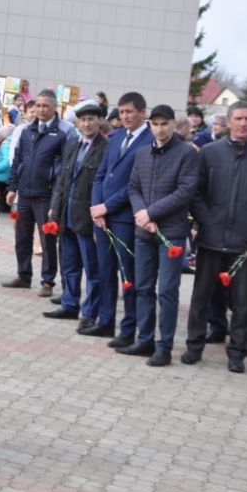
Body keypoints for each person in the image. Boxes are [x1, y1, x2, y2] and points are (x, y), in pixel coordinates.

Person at [182, 102, 247, 373]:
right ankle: (194, 346)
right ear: (228, 122)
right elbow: (196, 193)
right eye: (237, 118)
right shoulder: (209, 153)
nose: (242, 123)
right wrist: (205, 220)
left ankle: (237, 351)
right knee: (201, 297)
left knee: (243, 302)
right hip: (211, 239)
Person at [117, 104, 199, 366]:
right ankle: (145, 340)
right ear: (150, 125)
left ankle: (164, 346)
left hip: (171, 233)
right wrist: (142, 214)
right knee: (143, 287)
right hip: (144, 232)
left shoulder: (186, 154)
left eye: (165, 123)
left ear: (174, 124)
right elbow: (133, 187)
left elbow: (185, 191)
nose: (160, 128)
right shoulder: (142, 153)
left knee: (166, 291)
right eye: (156, 124)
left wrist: (150, 213)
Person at [82, 92, 153, 344]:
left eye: (129, 112)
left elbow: (138, 183)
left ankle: (128, 329)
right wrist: (96, 207)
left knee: (128, 275)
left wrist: (107, 207)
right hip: (103, 218)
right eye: (121, 112)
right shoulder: (115, 137)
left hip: (124, 218)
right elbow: (101, 174)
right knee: (105, 270)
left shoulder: (149, 140)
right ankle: (105, 321)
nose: (124, 116)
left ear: (142, 112)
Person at [45, 100, 107, 327]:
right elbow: (62, 181)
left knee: (92, 268)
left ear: (99, 121)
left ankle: (90, 311)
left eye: (92, 119)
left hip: (88, 219)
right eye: (83, 119)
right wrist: (55, 211)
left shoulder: (105, 148)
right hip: (67, 217)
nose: (87, 123)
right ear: (78, 123)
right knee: (69, 265)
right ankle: (70, 304)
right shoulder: (73, 144)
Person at [2, 89, 68, 296]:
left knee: (47, 240)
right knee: (22, 237)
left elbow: (63, 171)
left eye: (45, 106)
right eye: (38, 105)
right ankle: (23, 275)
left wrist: (56, 200)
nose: (40, 109)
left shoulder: (62, 134)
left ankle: (47, 282)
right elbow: (18, 161)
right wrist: (12, 187)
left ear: (55, 108)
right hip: (24, 194)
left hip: (46, 196)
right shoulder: (27, 131)